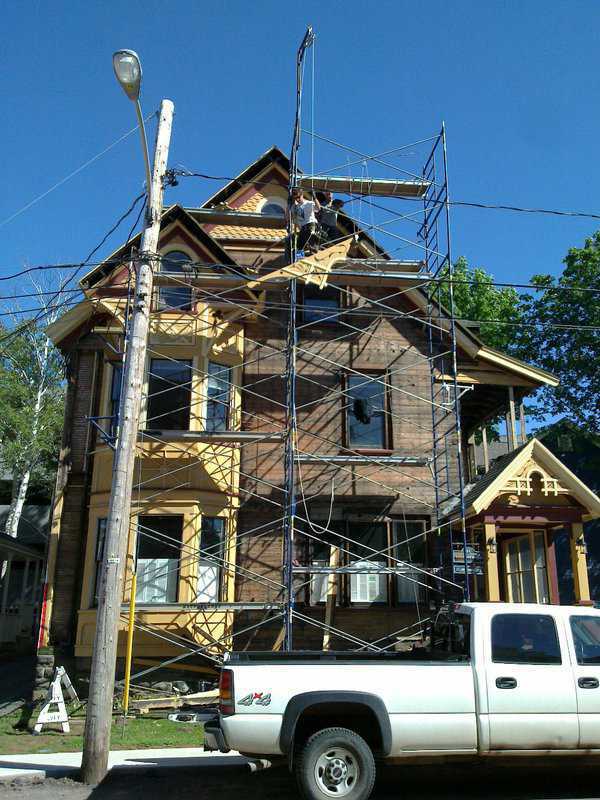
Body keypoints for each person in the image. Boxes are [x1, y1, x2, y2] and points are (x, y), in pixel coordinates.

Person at [290, 188, 320, 254]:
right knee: (299, 246)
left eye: (298, 197)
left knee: (310, 237)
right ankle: (301, 256)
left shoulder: (309, 203)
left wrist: (314, 197)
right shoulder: (294, 207)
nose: (297, 199)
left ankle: (313, 249)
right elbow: (293, 220)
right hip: (303, 228)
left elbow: (318, 208)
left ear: (302, 195)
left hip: (311, 224)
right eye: (295, 198)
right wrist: (288, 204)